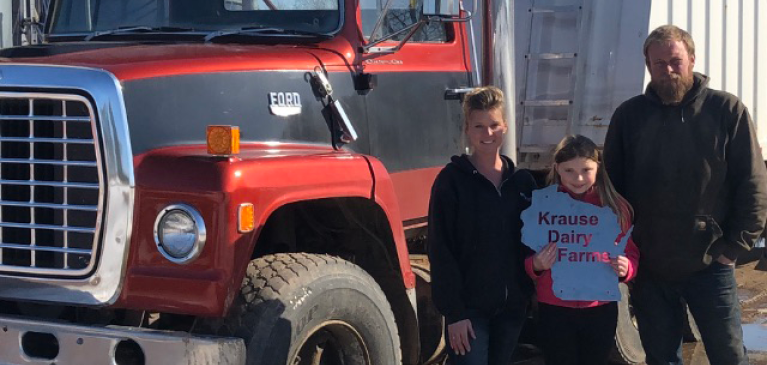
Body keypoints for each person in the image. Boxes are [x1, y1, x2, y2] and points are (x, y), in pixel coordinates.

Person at [604, 24, 767, 365]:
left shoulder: (726, 111)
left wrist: (735, 247)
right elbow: (612, 191)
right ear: (648, 65)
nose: (668, 70)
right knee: (661, 358)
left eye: (675, 60)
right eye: (659, 63)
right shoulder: (628, 117)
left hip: (710, 263)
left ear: (692, 59)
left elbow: (753, 182)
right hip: (650, 267)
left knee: (729, 356)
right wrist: (625, 249)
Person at [427, 86, 537, 365]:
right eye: (479, 126)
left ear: (505, 127)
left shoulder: (522, 183)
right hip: (469, 311)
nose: (487, 134)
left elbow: (536, 241)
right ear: (467, 128)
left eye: (494, 125)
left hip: (512, 309)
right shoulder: (451, 182)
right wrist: (454, 313)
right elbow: (440, 250)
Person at [525, 135, 639, 365]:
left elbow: (631, 251)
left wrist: (627, 268)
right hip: (554, 309)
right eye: (569, 171)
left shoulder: (616, 207)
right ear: (557, 169)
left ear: (598, 167)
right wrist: (536, 265)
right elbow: (525, 256)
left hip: (599, 309)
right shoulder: (541, 207)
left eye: (586, 170)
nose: (578, 178)